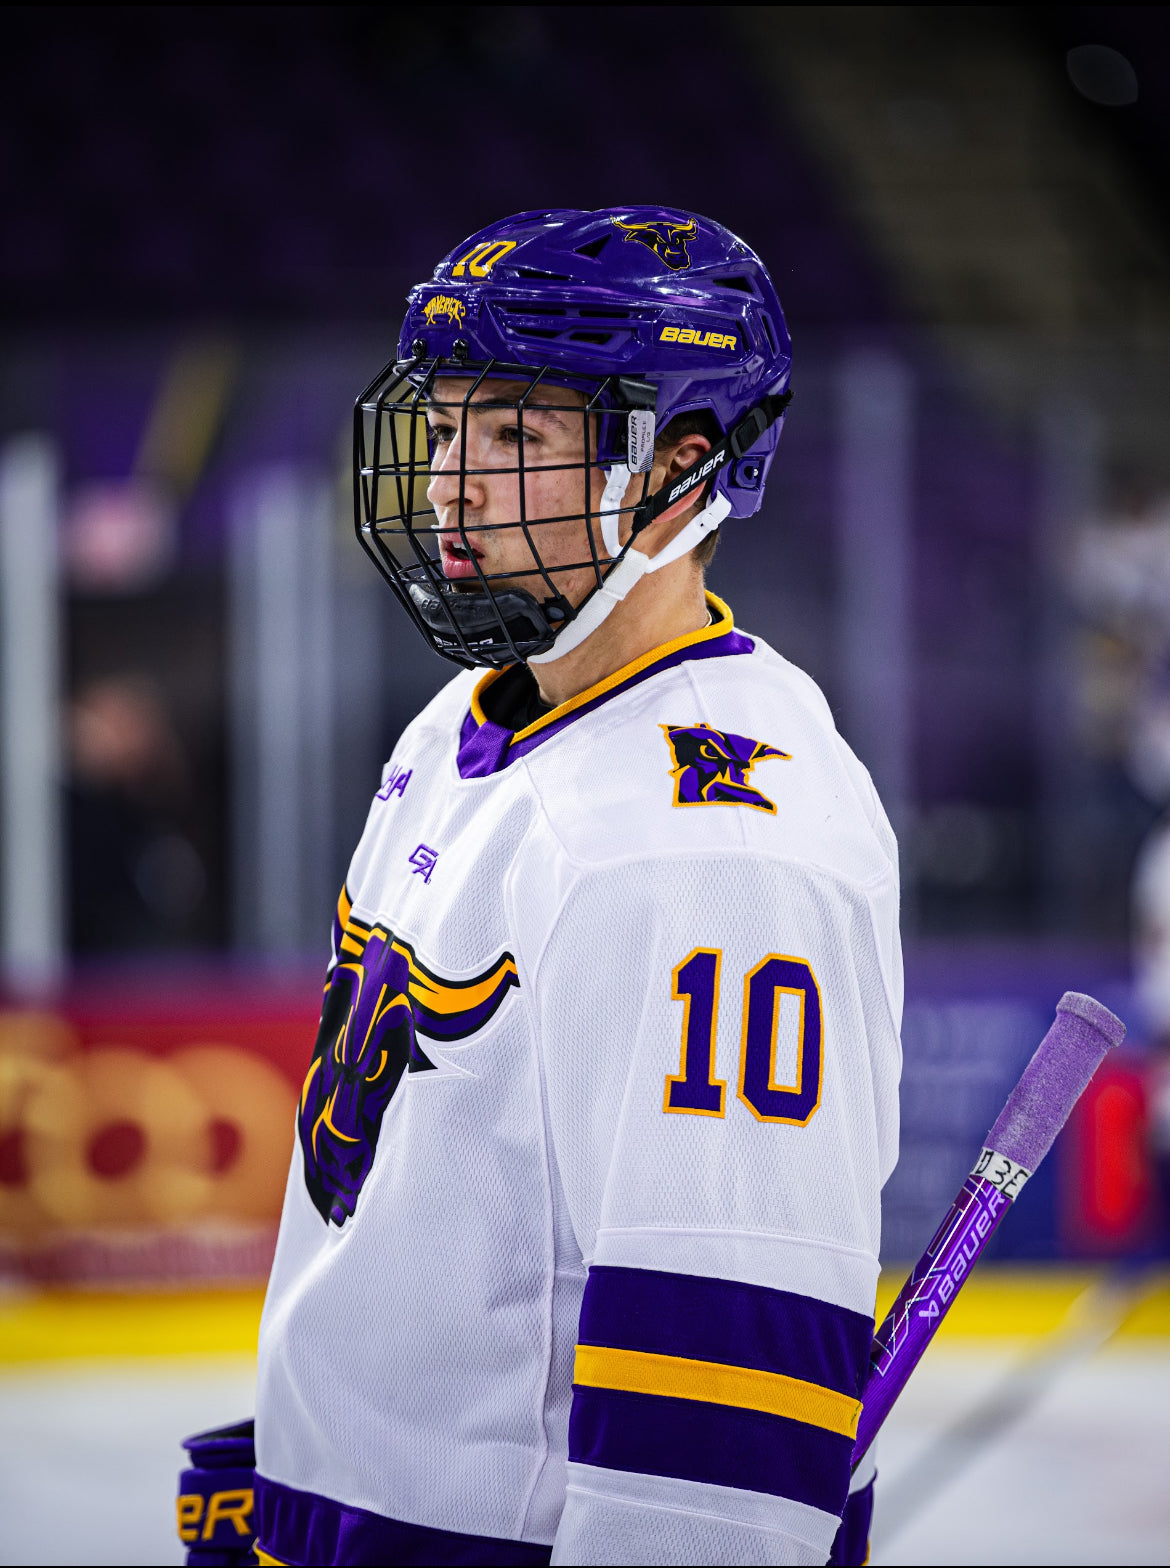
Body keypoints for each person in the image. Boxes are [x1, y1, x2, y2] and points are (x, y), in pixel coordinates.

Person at [178, 207, 901, 1567]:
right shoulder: (470, 714)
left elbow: (718, 1391)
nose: (451, 484)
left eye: (514, 436)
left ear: (682, 467)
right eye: (447, 428)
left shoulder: (709, 847)